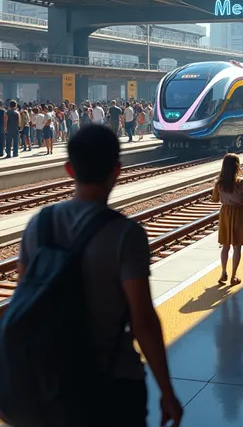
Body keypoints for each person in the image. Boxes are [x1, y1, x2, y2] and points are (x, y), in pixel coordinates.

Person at [17, 125, 183, 427]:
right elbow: (142, 320)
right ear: (117, 170)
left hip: (50, 382)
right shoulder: (126, 235)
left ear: (69, 169)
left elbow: (26, 302)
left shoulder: (37, 226)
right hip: (113, 383)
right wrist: (167, 391)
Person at [212, 153, 243, 286]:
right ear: (237, 167)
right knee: (237, 246)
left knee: (225, 245)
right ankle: (233, 276)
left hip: (225, 213)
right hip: (238, 213)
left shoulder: (219, 183)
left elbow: (215, 199)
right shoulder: (241, 182)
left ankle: (223, 272)